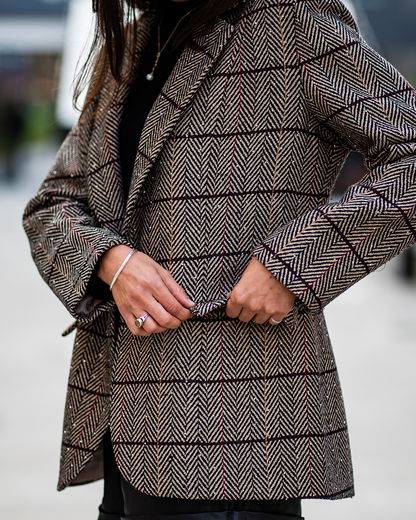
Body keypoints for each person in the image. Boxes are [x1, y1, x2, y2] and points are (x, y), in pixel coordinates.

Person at [23, 0, 416, 518]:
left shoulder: (290, 21)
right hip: (122, 424)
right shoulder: (131, 46)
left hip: (240, 423)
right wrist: (110, 261)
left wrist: (292, 266)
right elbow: (51, 204)